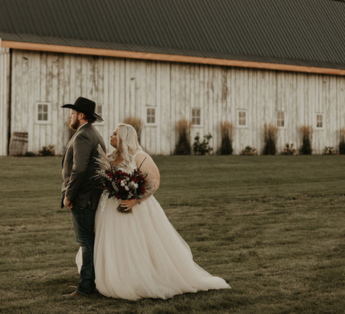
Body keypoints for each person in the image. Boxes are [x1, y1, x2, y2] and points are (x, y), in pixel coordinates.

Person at [77, 123, 230, 300]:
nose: (110, 136)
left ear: (124, 137)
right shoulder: (111, 157)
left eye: (114, 134)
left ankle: (134, 278)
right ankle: (108, 276)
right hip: (108, 208)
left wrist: (135, 200)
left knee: (131, 242)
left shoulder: (139, 156)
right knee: (110, 241)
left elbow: (154, 182)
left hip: (133, 209)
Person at [61, 97, 106, 298]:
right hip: (90, 196)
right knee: (88, 242)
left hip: (83, 198)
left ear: (81, 115)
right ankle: (89, 282)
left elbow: (79, 170)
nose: (69, 116)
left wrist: (69, 195)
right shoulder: (92, 133)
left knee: (86, 243)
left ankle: (85, 288)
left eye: (72, 113)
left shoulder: (83, 136)